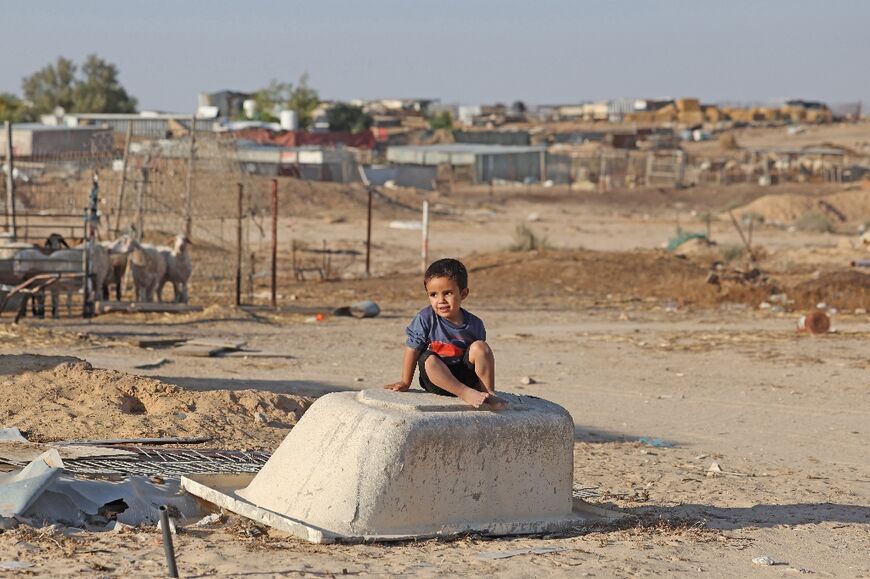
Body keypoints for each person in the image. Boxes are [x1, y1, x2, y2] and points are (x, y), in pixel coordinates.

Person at [384, 258, 506, 409]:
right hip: (437, 381)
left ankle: (489, 394)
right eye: (433, 294)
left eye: (448, 293)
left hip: (465, 377)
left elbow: (481, 359)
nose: (440, 300)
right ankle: (465, 393)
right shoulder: (425, 318)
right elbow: (412, 349)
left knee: (481, 347)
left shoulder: (475, 324)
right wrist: (405, 382)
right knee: (427, 358)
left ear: (463, 293)